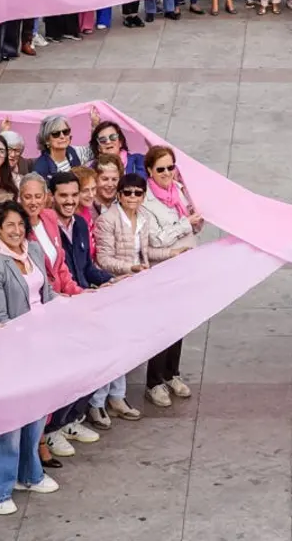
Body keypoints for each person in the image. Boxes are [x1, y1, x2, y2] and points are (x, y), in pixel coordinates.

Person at [0, 201, 62, 513]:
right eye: (9, 225)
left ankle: (29, 474)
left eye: (20, 225)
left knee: (36, 414)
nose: (16, 231)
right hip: (11, 351)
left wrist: (65, 310)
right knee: (8, 424)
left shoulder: (34, 252)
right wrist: (28, 338)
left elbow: (47, 293)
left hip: (41, 346)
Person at [95, 173, 190, 407]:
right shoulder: (108, 220)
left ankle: (169, 375)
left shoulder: (144, 218)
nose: (133, 197)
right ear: (119, 195)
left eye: (138, 193)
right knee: (151, 332)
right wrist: (131, 268)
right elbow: (104, 259)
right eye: (128, 192)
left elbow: (148, 250)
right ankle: (152, 384)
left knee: (172, 322)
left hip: (143, 280)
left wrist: (171, 254)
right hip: (120, 285)